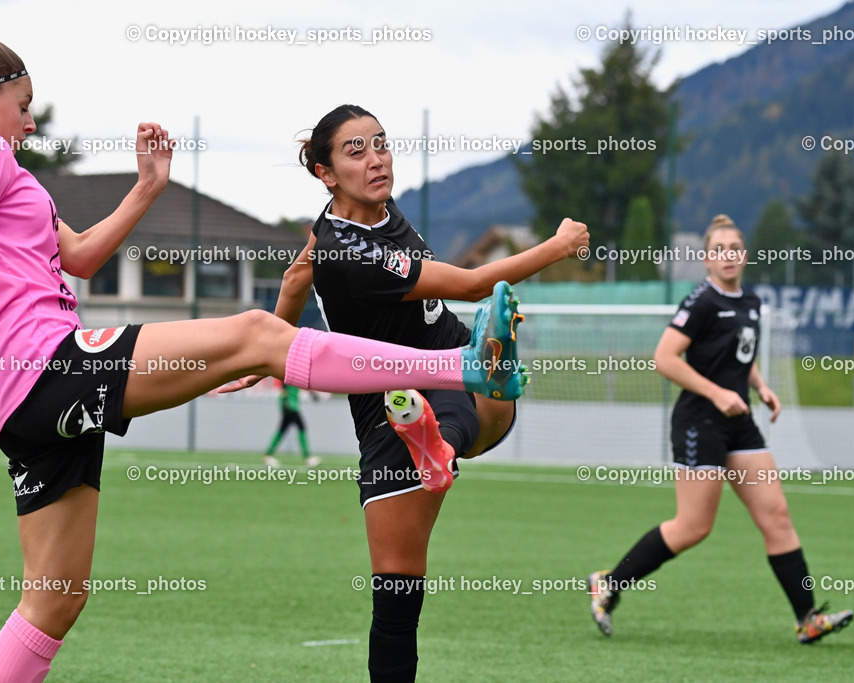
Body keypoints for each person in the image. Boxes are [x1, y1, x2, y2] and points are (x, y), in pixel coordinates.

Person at [0, 28, 526, 682]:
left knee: (53, 601)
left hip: (21, 398)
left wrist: (146, 188)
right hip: (45, 366)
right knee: (257, 334)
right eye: (23, 105)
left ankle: (457, 378)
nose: (30, 122)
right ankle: (461, 365)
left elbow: (79, 257)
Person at [222, 104, 590, 681]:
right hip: (395, 406)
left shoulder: (362, 212)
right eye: (357, 151)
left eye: (381, 143)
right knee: (397, 592)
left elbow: (294, 278)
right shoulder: (351, 252)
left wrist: (270, 349)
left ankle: (446, 430)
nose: (377, 159)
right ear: (325, 172)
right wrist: (560, 244)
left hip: (446, 380)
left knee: (397, 601)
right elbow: (473, 283)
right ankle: (446, 430)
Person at [587, 215, 853, 644]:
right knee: (694, 527)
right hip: (699, 422)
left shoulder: (751, 301)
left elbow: (740, 356)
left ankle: (807, 618)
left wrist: (760, 386)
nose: (727, 255)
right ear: (707, 260)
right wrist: (716, 393)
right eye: (718, 250)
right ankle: (609, 583)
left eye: (734, 248)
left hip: (739, 423)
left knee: (777, 516)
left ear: (744, 256)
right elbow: (664, 358)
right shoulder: (701, 302)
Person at [263, 379, 319, 467]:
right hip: (290, 406)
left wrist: (312, 393)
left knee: (282, 430)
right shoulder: (289, 377)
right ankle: (307, 457)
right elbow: (284, 390)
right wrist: (285, 404)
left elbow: (305, 383)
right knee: (301, 428)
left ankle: (268, 454)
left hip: (292, 405)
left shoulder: (297, 378)